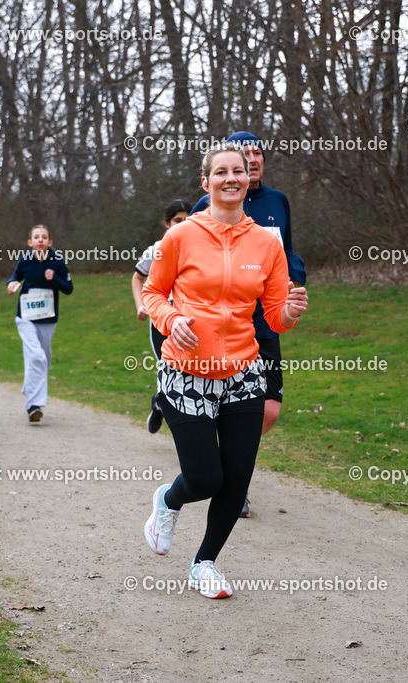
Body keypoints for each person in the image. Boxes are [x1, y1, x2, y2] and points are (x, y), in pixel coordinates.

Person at [141, 143, 308, 599]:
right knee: (204, 479)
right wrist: (172, 320)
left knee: (237, 479)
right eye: (221, 172)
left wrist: (291, 312)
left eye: (238, 171)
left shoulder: (266, 243)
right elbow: (153, 293)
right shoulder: (180, 238)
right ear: (206, 182)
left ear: (248, 178)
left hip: (243, 372)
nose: (231, 178)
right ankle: (168, 501)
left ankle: (205, 564)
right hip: (187, 371)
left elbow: (274, 317)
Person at [192, 131, 306, 518]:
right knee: (229, 406)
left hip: (266, 317)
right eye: (244, 155)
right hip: (224, 322)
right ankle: (233, 485)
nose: (252, 160)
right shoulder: (206, 205)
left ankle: (229, 467)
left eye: (257, 154)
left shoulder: (277, 201)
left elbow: (287, 248)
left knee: (269, 411)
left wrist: (295, 277)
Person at [130, 199, 190, 433]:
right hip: (161, 322)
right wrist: (140, 305)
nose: (182, 224)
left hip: (191, 321)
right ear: (167, 224)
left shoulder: (202, 246)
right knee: (169, 369)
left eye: (187, 219)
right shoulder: (156, 250)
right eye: (177, 221)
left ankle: (161, 403)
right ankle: (162, 404)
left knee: (187, 372)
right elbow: (137, 277)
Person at [6, 225, 72, 422]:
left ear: (50, 242)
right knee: (37, 357)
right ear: (30, 242)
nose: (40, 240)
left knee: (44, 358)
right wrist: (11, 284)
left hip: (47, 318)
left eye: (44, 237)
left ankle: (29, 386)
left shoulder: (57, 262)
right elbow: (15, 277)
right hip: (25, 317)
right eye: (36, 237)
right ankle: (34, 405)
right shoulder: (25, 260)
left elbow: (68, 288)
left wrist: (55, 279)